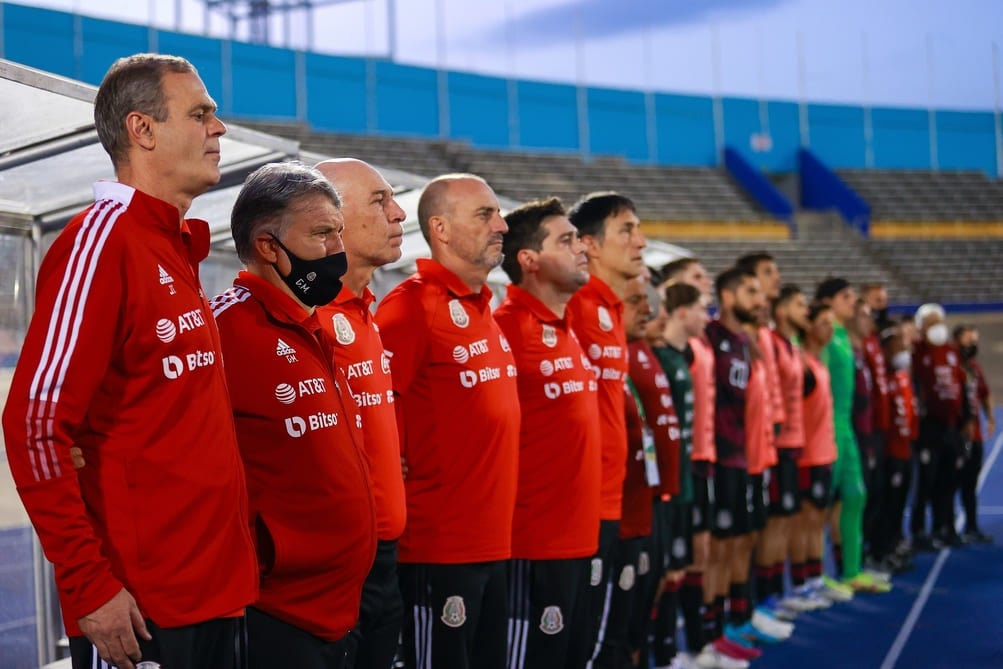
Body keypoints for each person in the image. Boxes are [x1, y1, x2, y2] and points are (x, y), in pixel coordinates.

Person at [2, 54, 257, 669]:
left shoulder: (173, 245)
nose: (218, 130)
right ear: (142, 130)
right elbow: (33, 423)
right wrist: (90, 585)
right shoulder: (103, 241)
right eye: (200, 114)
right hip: (146, 608)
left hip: (215, 594)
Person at [211, 162, 376, 668]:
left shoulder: (317, 323)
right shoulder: (222, 330)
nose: (337, 251)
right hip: (273, 613)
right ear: (268, 247)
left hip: (341, 608)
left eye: (339, 232)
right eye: (322, 234)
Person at [374, 173, 520, 669]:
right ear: (441, 228)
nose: (501, 224)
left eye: (498, 213)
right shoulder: (413, 306)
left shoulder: (484, 308)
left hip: (493, 542)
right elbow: (370, 404)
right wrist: (389, 462)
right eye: (485, 214)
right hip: (437, 549)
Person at [493, 197, 601, 669]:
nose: (582, 250)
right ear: (529, 260)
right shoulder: (506, 329)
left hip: (580, 537)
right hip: (530, 545)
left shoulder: (566, 327)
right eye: (567, 240)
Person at [314, 159, 408, 669]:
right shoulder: (307, 318)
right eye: (379, 200)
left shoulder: (366, 312)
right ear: (331, 217)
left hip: (384, 556)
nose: (397, 214)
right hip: (334, 569)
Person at [564, 191, 646, 665]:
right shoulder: (573, 303)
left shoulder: (612, 309)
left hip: (612, 495)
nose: (641, 241)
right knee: (578, 638)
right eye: (628, 230)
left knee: (604, 631)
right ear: (590, 246)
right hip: (579, 503)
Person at [649, 281, 710, 669]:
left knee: (678, 567)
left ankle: (670, 648)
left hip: (683, 477)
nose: (708, 316)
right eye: (703, 308)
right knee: (663, 570)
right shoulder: (657, 359)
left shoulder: (679, 357)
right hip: (664, 484)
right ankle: (661, 649)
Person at [816, 278, 889, 593]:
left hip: (847, 431)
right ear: (828, 301)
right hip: (827, 430)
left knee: (855, 497)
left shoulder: (845, 336)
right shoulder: (826, 337)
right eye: (846, 297)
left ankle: (851, 570)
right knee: (817, 509)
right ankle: (815, 577)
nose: (852, 302)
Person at [911, 303, 968, 550]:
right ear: (921, 327)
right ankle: (919, 531)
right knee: (926, 481)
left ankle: (944, 526)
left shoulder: (951, 352)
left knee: (949, 478)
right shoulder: (917, 353)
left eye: (939, 322)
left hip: (950, 426)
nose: (937, 327)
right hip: (928, 427)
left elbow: (960, 384)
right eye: (931, 323)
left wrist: (964, 420)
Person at [955, 324, 994, 544]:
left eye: (975, 341)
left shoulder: (974, 368)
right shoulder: (953, 368)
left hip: (976, 435)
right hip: (957, 435)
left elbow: (985, 393)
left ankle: (971, 526)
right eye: (968, 340)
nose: (972, 345)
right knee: (951, 483)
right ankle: (946, 527)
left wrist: (990, 416)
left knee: (971, 482)